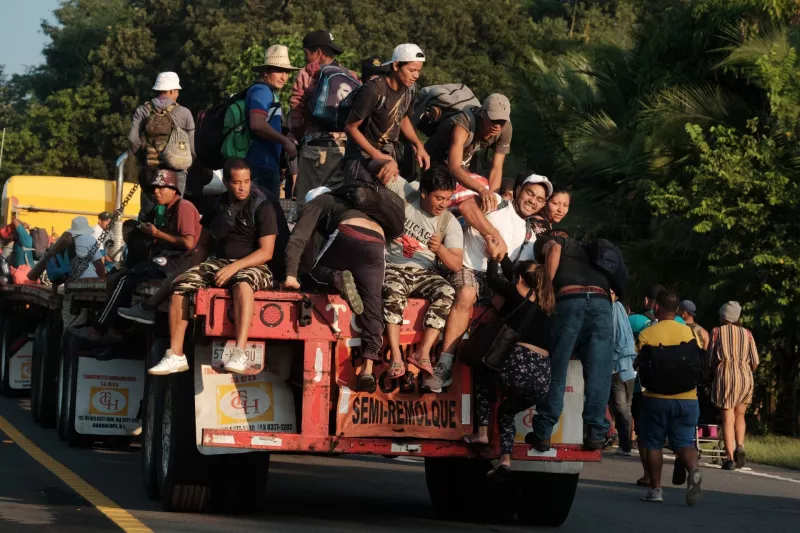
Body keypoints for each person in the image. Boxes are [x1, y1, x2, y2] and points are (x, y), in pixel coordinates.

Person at [147, 158, 287, 376]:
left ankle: (239, 352)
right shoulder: (218, 204)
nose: (242, 187)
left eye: (247, 181)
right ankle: (175, 354)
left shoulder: (262, 206)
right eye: (237, 182)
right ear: (227, 183)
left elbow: (266, 252)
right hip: (218, 262)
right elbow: (203, 244)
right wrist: (191, 270)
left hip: (254, 265)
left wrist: (235, 268)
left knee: (243, 283)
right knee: (181, 284)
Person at [425, 175, 552, 393]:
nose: (533, 201)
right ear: (519, 189)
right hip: (466, 268)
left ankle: (489, 371)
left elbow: (516, 273)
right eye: (530, 193)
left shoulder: (531, 235)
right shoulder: (496, 202)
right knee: (466, 292)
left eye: (540, 199)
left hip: (496, 279)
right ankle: (443, 367)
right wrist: (492, 234)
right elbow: (466, 206)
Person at [283, 181, 395, 392]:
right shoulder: (356, 206)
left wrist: (290, 274)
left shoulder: (319, 202)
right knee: (372, 303)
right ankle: (368, 368)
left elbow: (298, 238)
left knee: (314, 275)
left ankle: (337, 279)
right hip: (376, 242)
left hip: (348, 232)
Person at [464, 259, 553, 481]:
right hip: (542, 377)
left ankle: (482, 433)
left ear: (520, 279)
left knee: (483, 376)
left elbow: (493, 279)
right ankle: (505, 460)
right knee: (506, 412)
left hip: (519, 365)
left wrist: (494, 257)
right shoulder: (549, 306)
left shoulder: (515, 294)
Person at [84, 170, 201, 340]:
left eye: (161, 188)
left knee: (128, 277)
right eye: (154, 189)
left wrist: (157, 234)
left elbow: (189, 243)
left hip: (180, 261)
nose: (156, 192)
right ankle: (118, 330)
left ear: (174, 189)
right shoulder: (165, 210)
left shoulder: (184, 207)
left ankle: (99, 327)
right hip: (170, 257)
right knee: (123, 275)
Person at [526, 231, 615, 451]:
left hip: (570, 301)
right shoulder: (590, 252)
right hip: (601, 303)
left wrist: (546, 287)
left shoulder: (552, 242)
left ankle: (543, 433)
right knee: (599, 374)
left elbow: (554, 249)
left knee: (556, 369)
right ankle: (595, 434)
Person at [381, 167, 463, 378]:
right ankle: (396, 357)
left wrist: (440, 249)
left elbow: (456, 264)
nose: (444, 204)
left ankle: (423, 352)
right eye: (439, 198)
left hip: (425, 271)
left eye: (448, 198)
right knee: (393, 289)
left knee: (447, 291)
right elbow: (377, 168)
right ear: (424, 193)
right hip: (393, 266)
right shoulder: (408, 193)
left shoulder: (449, 222)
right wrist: (387, 162)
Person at [636, 290, 703, 506]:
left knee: (653, 443)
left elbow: (638, 362)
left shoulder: (648, 333)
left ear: (657, 307)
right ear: (678, 311)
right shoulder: (691, 334)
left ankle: (655, 490)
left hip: (655, 398)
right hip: (687, 399)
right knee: (684, 441)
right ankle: (694, 470)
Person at [342, 43, 430, 185]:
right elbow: (350, 127)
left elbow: (402, 117)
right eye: (412, 70)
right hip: (361, 158)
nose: (416, 75)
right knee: (364, 199)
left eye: (418, 71)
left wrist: (418, 145)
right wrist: (377, 156)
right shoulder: (374, 89)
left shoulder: (409, 90)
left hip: (387, 158)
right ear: (396, 66)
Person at [289, 30, 356, 205]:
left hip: (314, 149)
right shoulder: (350, 76)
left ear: (318, 53)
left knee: (307, 205)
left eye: (307, 53)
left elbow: (296, 112)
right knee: (334, 204)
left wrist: (301, 138)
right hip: (341, 149)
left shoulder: (307, 74)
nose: (306, 58)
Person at [424, 94, 512, 212]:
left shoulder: (505, 129)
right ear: (482, 112)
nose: (497, 125)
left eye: (501, 121)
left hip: (466, 160)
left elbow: (497, 168)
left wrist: (492, 197)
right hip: (436, 157)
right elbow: (454, 168)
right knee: (439, 199)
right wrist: (481, 190)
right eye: (493, 119)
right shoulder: (463, 124)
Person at [128, 72, 195, 214]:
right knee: (174, 213)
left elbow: (133, 138)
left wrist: (145, 157)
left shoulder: (143, 110)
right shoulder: (184, 113)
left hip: (151, 170)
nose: (177, 94)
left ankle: (147, 234)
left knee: (147, 213)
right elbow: (192, 147)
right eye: (177, 91)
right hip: (176, 172)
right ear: (171, 90)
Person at [708, 301, 759, 471]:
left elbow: (710, 360)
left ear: (723, 316)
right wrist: (744, 368)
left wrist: (716, 371)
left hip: (726, 374)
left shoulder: (717, 332)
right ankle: (741, 446)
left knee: (727, 418)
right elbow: (755, 361)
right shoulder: (748, 333)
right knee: (740, 415)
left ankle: (729, 458)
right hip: (745, 375)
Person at [247, 45, 301, 195]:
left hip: (265, 164)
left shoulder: (267, 92)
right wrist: (285, 141)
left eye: (287, 72)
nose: (284, 77)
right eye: (278, 71)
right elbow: (257, 124)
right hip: (260, 165)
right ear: (266, 71)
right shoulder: (262, 91)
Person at [610, 289, 637, 456]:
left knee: (621, 407)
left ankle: (625, 443)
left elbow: (613, 335)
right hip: (627, 363)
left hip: (619, 363)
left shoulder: (613, 309)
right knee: (624, 406)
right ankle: (626, 442)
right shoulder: (620, 309)